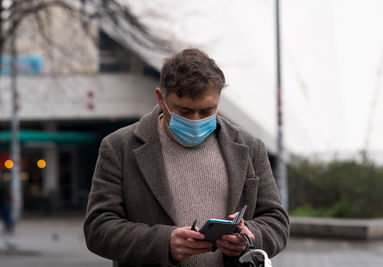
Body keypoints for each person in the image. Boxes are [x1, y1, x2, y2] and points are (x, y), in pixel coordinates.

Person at [84, 48, 289, 267]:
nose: (196, 120)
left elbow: (276, 221)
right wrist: (164, 243)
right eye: (184, 111)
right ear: (161, 98)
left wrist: (249, 236)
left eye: (207, 111)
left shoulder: (249, 147)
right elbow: (98, 228)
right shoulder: (119, 147)